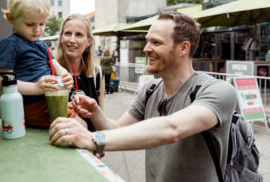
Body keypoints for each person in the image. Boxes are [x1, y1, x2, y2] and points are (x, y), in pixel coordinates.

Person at [49, 11, 237, 181]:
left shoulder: (218, 90)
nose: (146, 48)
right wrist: (95, 112)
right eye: (147, 41)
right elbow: (116, 129)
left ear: (183, 48)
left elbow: (172, 129)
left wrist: (93, 139)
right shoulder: (150, 89)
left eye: (156, 42)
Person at [0, 0, 73, 128]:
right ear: (11, 18)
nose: (37, 30)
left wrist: (65, 75)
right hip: (31, 107)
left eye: (42, 24)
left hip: (51, 101)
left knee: (80, 120)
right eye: (30, 24)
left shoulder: (41, 45)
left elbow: (56, 66)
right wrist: (34, 88)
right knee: (75, 124)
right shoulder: (10, 44)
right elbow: (0, 79)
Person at [55, 14, 105, 132]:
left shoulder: (97, 74)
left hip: (89, 145)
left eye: (79, 35)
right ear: (61, 37)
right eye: (67, 33)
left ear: (89, 41)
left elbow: (101, 119)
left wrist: (100, 144)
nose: (72, 40)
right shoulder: (49, 72)